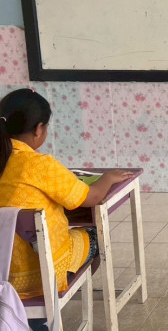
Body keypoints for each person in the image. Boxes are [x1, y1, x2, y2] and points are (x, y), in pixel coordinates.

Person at [0, 89, 133, 302]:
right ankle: (61, 300)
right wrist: (107, 178)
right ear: (39, 129)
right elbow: (91, 197)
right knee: (95, 237)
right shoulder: (39, 164)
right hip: (41, 276)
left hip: (3, 276)